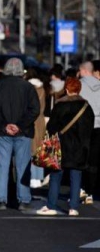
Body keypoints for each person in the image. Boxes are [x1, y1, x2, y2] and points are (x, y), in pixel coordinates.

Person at [0, 58, 40, 211]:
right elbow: (35, 109)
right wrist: (20, 125)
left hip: (1, 132)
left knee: (1, 167)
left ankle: (1, 199)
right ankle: (23, 199)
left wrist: (4, 124)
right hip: (23, 132)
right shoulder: (28, 87)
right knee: (23, 167)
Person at [37, 78, 95, 216]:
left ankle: (51, 205)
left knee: (56, 176)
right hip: (79, 147)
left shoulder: (60, 105)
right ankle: (73, 207)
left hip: (60, 145)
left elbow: (51, 127)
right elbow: (89, 128)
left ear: (67, 90)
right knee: (76, 176)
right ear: (79, 90)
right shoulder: (86, 107)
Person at [79, 61, 100, 203]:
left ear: (83, 70)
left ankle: (80, 189)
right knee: (94, 160)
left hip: (83, 126)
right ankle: (90, 192)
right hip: (99, 126)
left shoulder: (78, 85)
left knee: (80, 158)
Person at [25, 69, 48, 189]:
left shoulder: (27, 88)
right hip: (40, 120)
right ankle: (38, 177)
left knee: (28, 149)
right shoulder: (42, 89)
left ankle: (31, 176)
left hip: (29, 119)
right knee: (39, 150)